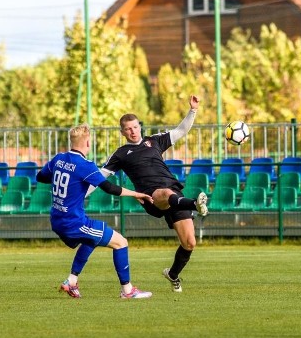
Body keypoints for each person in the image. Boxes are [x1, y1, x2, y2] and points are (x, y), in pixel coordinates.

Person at [104, 95, 208, 293]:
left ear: (139, 126)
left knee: (189, 243)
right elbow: (101, 175)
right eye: (128, 129)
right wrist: (81, 193)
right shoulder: (120, 153)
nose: (132, 131)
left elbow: (181, 130)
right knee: (164, 192)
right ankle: (194, 203)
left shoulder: (155, 141)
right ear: (122, 132)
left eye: (135, 127)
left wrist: (193, 110)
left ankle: (173, 274)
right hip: (152, 197)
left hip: (175, 195)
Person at [37, 123, 154, 299]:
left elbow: (40, 176)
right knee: (121, 242)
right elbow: (109, 188)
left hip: (57, 218)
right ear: (87, 143)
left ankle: (71, 281)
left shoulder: (59, 159)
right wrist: (136, 193)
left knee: (91, 240)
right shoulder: (85, 165)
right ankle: (128, 291)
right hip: (73, 222)